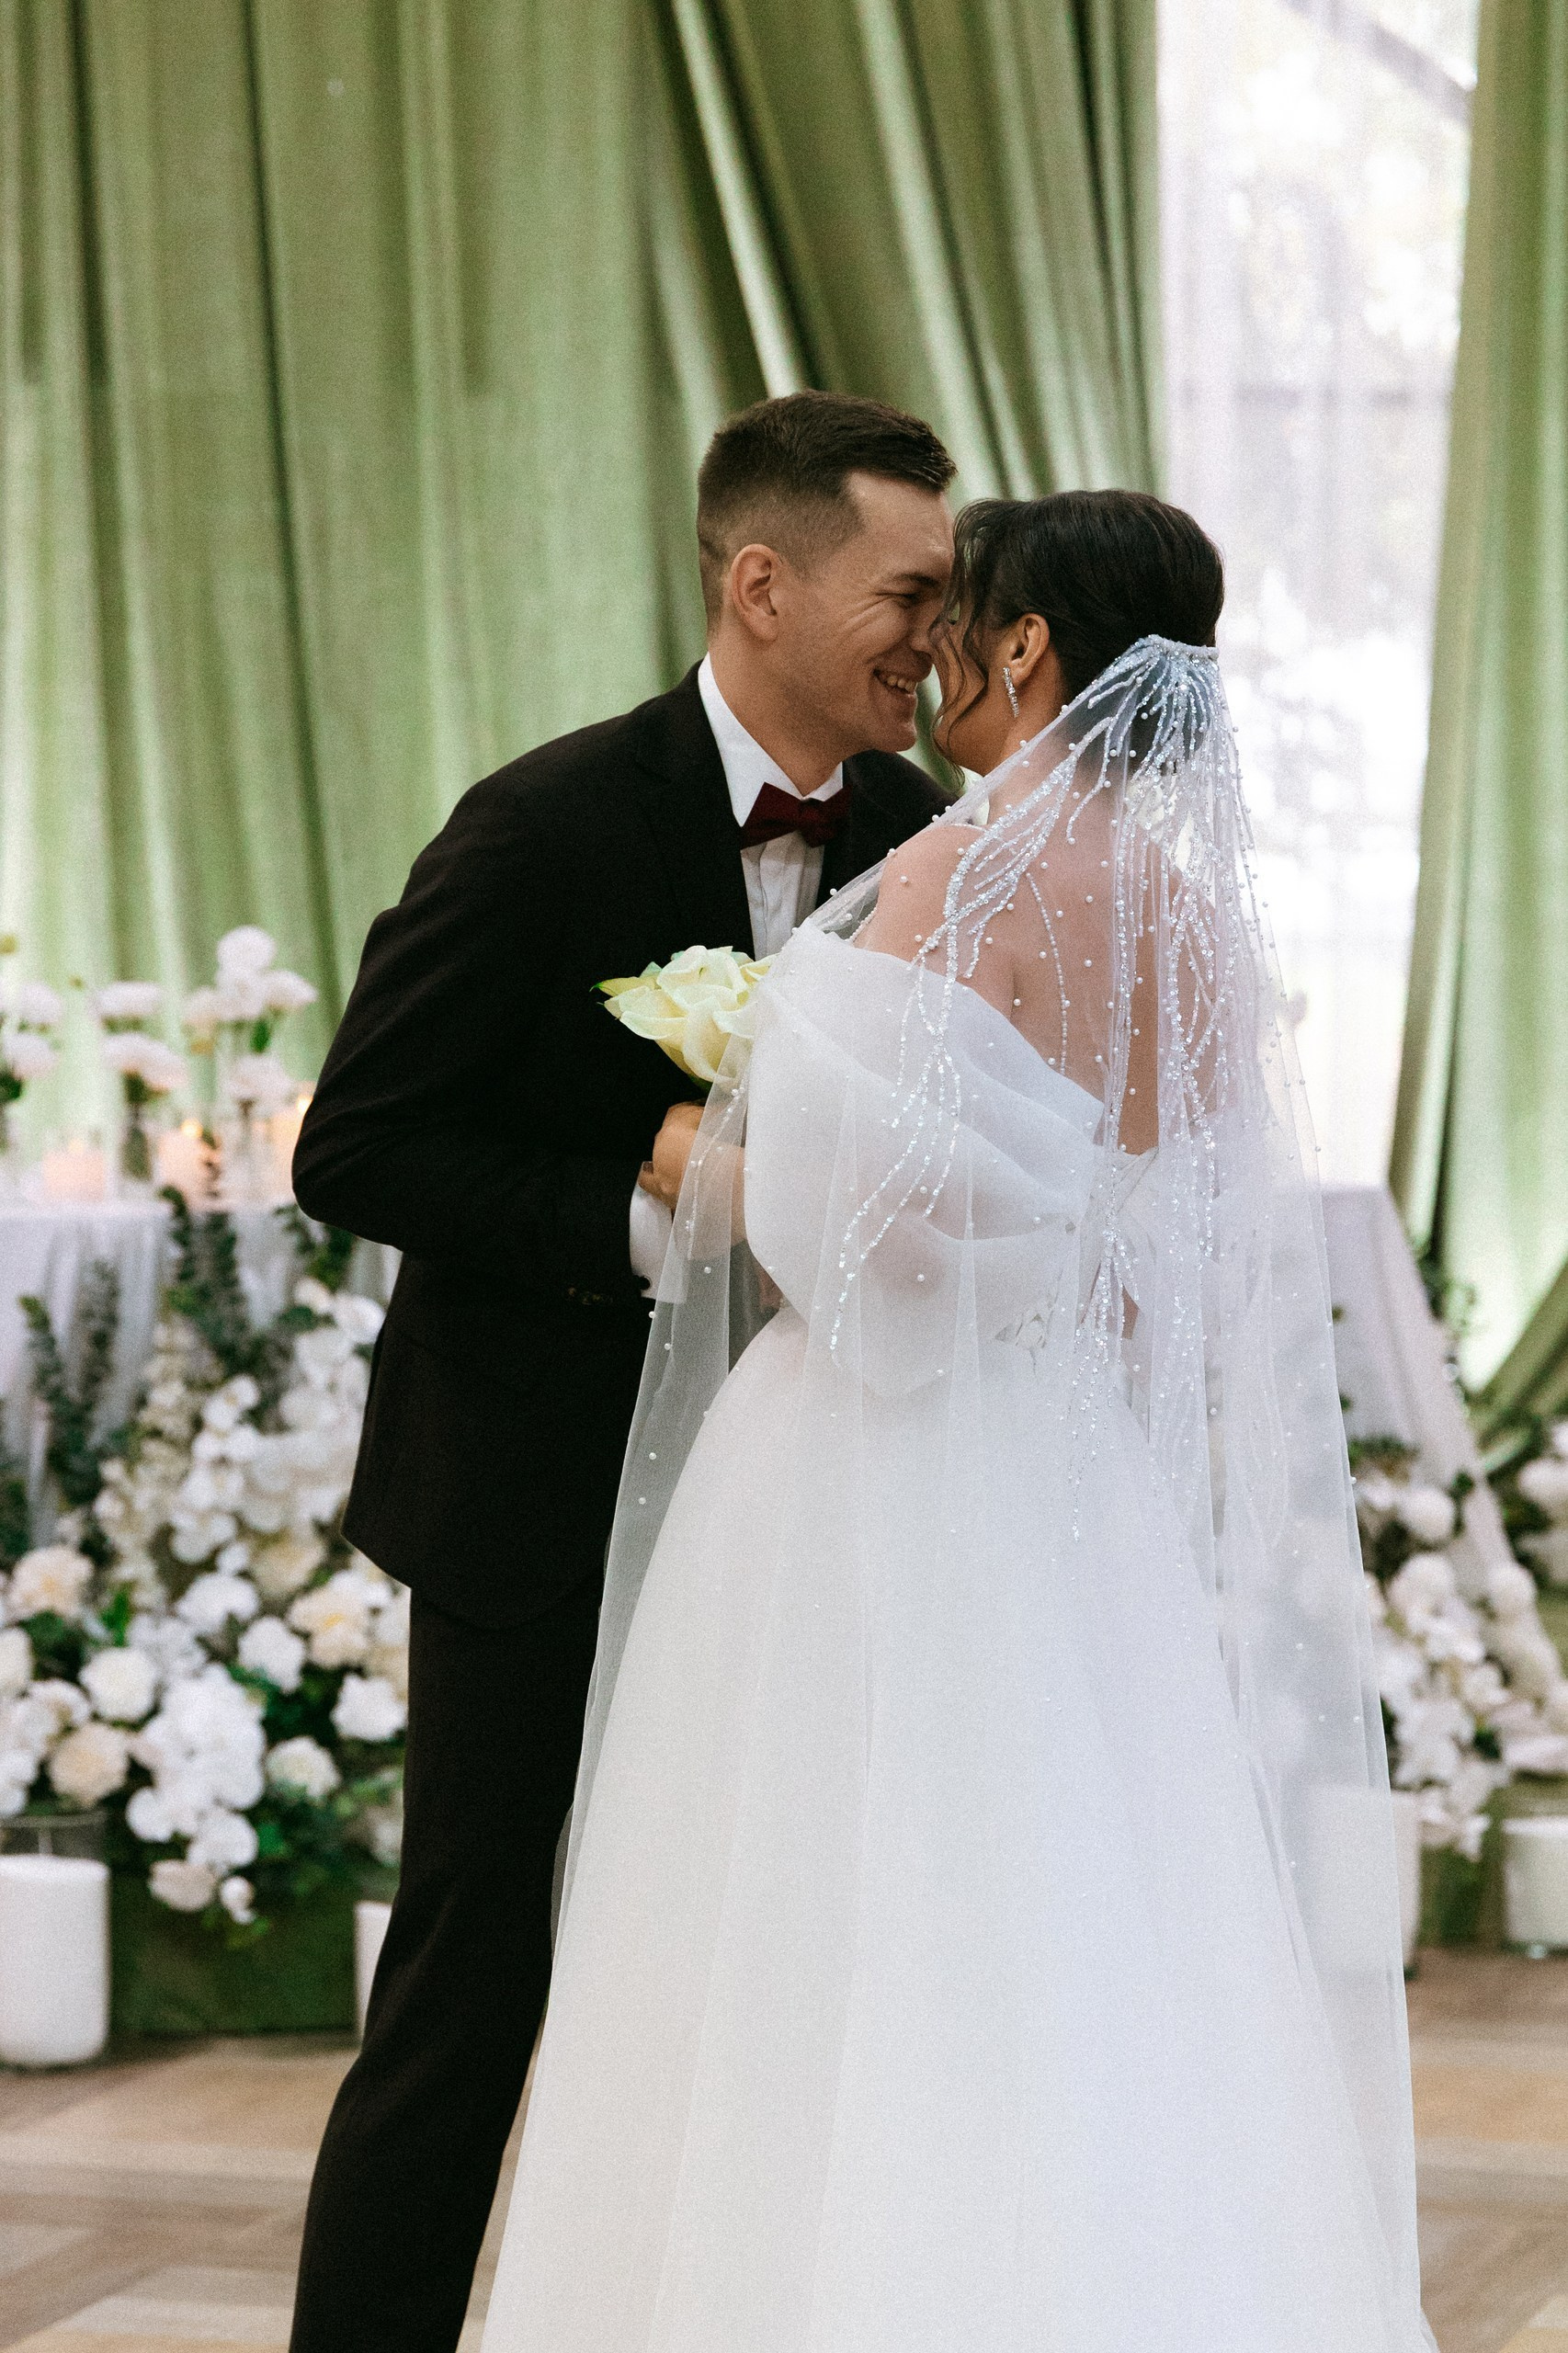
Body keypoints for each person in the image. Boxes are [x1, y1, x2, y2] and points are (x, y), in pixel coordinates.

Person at [479, 490, 1437, 2352]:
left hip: (869, 1458)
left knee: (819, 1907)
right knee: (1081, 1911)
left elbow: (851, 1244)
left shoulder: (959, 872)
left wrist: (724, 1146)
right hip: (1069, 1471)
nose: (932, 658)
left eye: (960, 620)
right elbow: (1160, 1262)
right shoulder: (1193, 918)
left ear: (1026, 646)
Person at [286, 391, 956, 2353]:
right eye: (907, 591)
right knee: (472, 1979)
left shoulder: (925, 842)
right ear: (762, 584)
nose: (934, 633)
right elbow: (357, 1146)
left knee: (777, 1968)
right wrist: (653, 1201)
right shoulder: (542, 822)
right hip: (534, 1496)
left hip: (809, 1497)